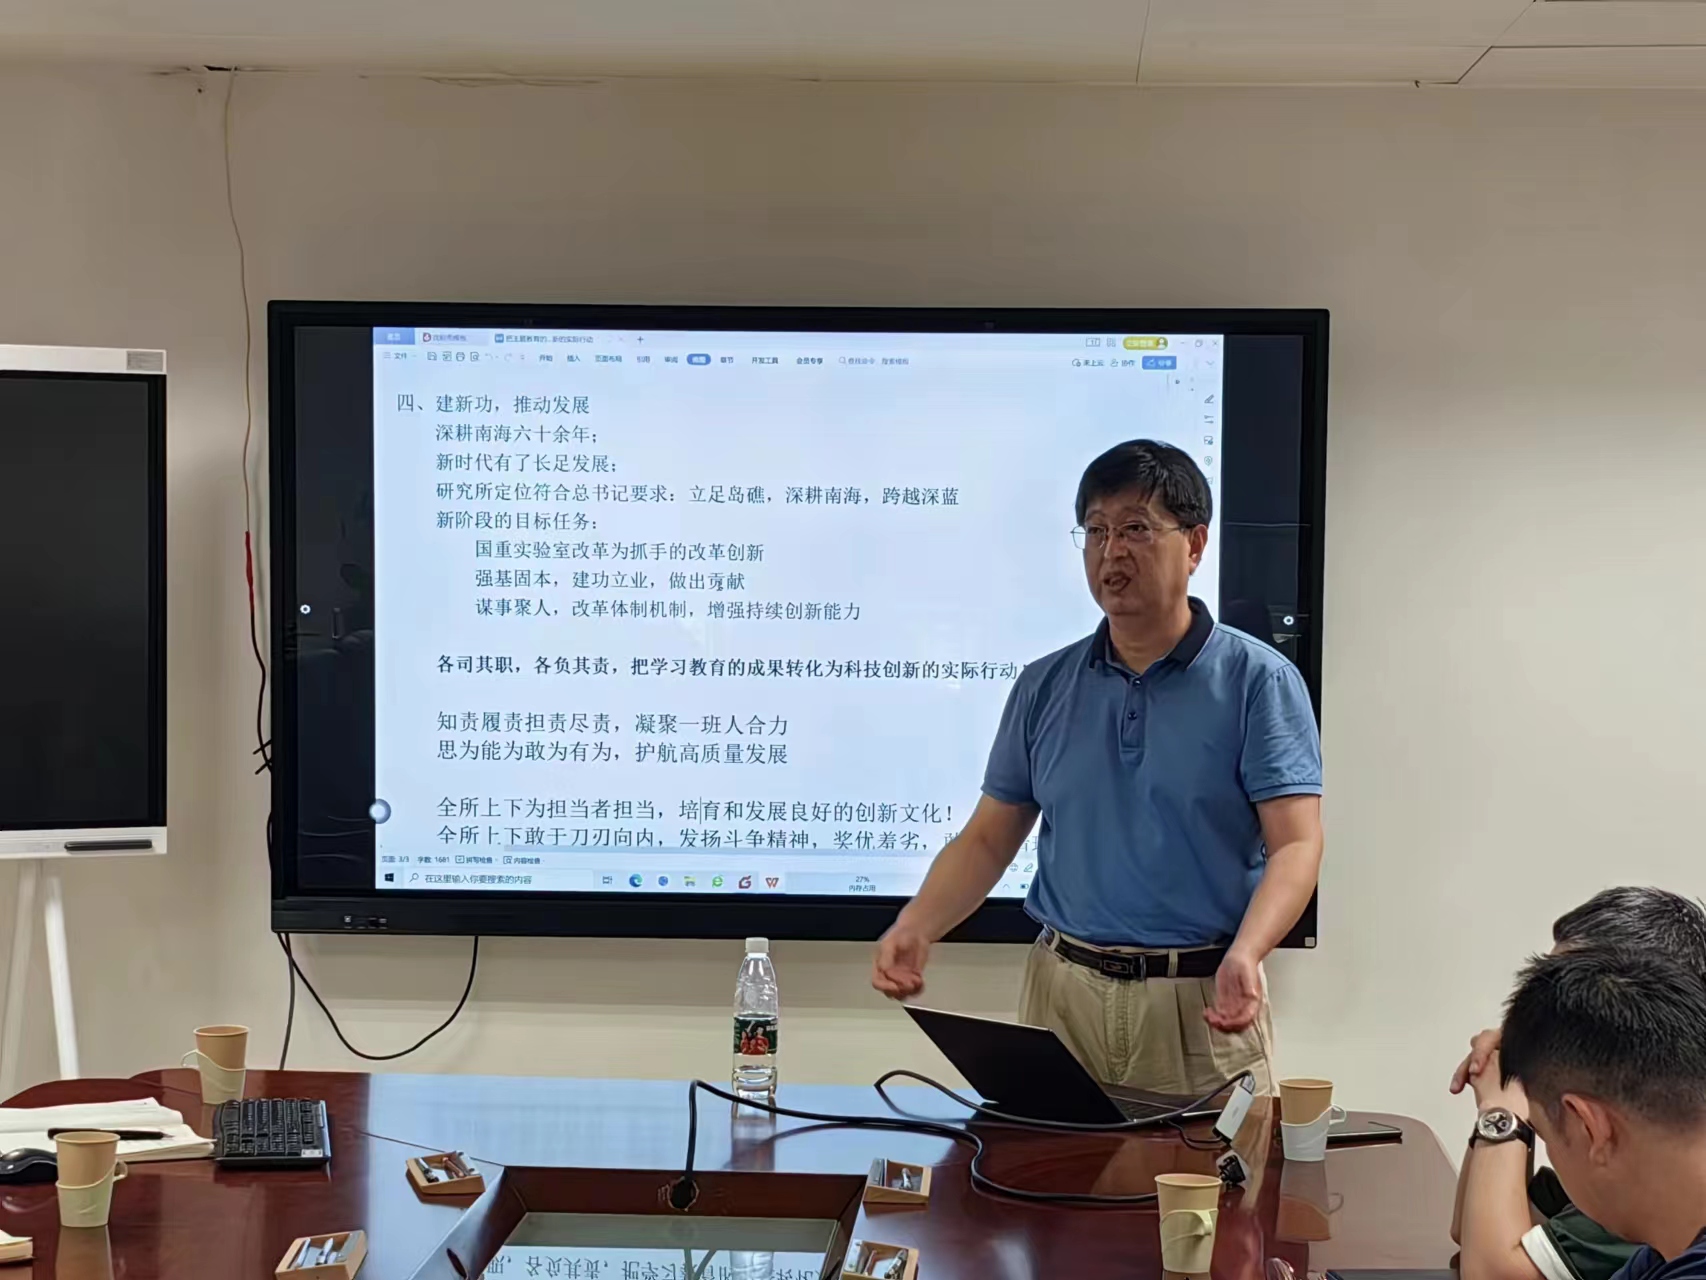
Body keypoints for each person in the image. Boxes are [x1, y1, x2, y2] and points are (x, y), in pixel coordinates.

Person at [870, 439, 1324, 1095]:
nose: (1112, 552)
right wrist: (917, 924)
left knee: (1214, 1168)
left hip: (1199, 1000)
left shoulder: (1257, 682)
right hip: (1063, 998)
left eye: (1136, 529)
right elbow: (989, 838)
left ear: (1195, 544)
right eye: (1097, 531)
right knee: (1043, 1163)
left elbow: (1297, 844)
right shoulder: (1044, 686)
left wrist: (1248, 952)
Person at [1451, 888, 1706, 1280]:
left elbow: (1494, 1273)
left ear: (1590, 1127)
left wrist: (1503, 1110)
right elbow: (1468, 1232)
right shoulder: (1663, 1247)